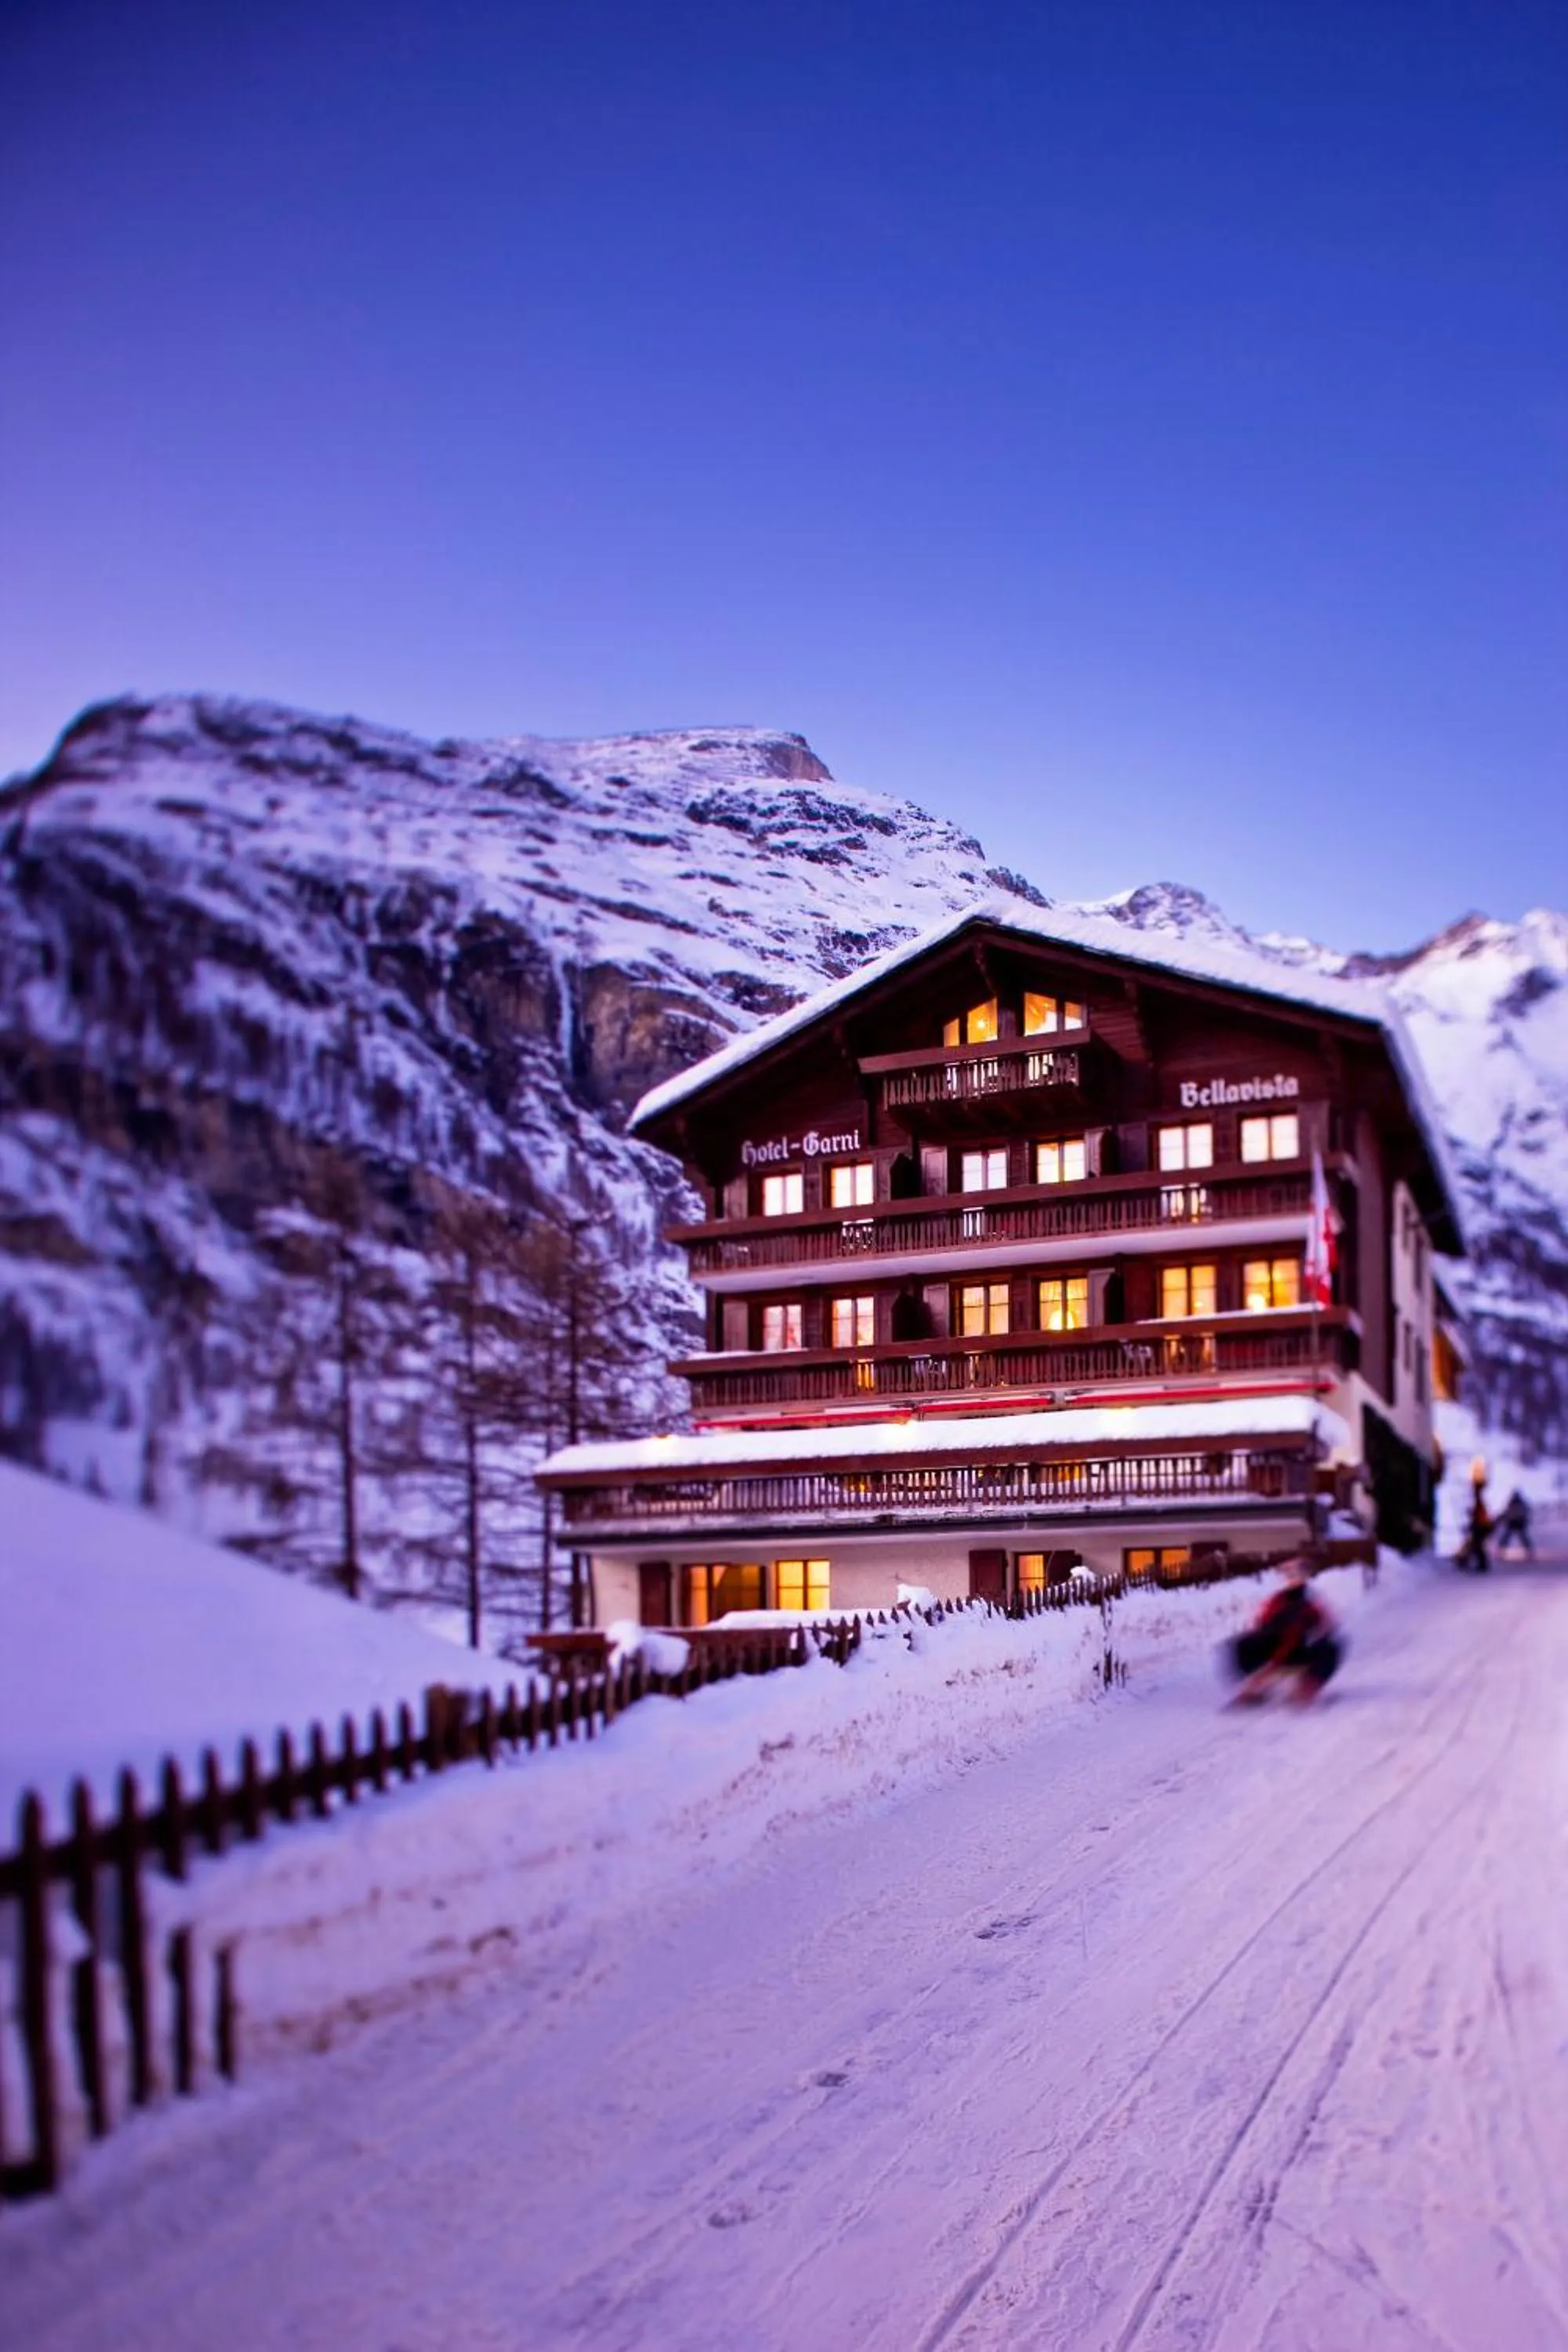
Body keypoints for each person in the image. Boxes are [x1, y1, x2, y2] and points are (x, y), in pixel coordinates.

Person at [1227, 1561, 1342, 1705]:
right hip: (1275, 1652)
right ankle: (1255, 1686)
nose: (1294, 1578)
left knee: (1331, 1647)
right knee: (1240, 1643)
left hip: (1299, 1652)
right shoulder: (1276, 1602)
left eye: (1298, 1574)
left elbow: (1327, 1626)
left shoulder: (1311, 1603)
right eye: (1290, 1574)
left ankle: (1308, 1685)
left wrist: (1319, 1631)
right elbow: (1261, 1626)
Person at [1457, 1490, 1493, 1574]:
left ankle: (1482, 1564)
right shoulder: (1479, 1506)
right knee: (1476, 1546)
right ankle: (1479, 1563)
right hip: (1481, 1527)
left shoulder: (1479, 1505)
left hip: (1481, 1527)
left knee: (1477, 1546)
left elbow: (1479, 1518)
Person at [1494, 1489, 1534, 1561]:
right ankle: (1500, 1552)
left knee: (1522, 1538)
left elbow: (1508, 1513)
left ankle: (1530, 1553)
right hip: (1514, 1522)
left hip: (1518, 1522)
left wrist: (1500, 1519)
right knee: (1507, 1538)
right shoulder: (1513, 1504)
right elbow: (1507, 1513)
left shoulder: (1519, 1504)